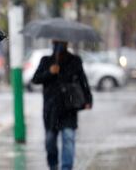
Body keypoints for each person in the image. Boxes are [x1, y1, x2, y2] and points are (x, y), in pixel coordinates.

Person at [32, 41, 92, 170]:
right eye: (56, 42)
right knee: (50, 142)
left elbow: (83, 80)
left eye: (61, 42)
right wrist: (50, 72)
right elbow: (35, 79)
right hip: (51, 109)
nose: (59, 44)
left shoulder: (75, 60)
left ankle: (66, 167)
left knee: (68, 138)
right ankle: (53, 166)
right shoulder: (46, 60)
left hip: (69, 108)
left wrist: (88, 99)